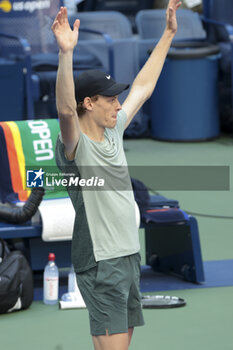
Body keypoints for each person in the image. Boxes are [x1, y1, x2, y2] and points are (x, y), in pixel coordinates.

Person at [52, 1, 181, 349]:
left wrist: (168, 34)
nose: (119, 105)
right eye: (111, 99)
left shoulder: (114, 130)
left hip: (127, 253)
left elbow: (144, 85)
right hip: (101, 260)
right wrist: (66, 53)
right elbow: (65, 108)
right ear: (89, 103)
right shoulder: (74, 146)